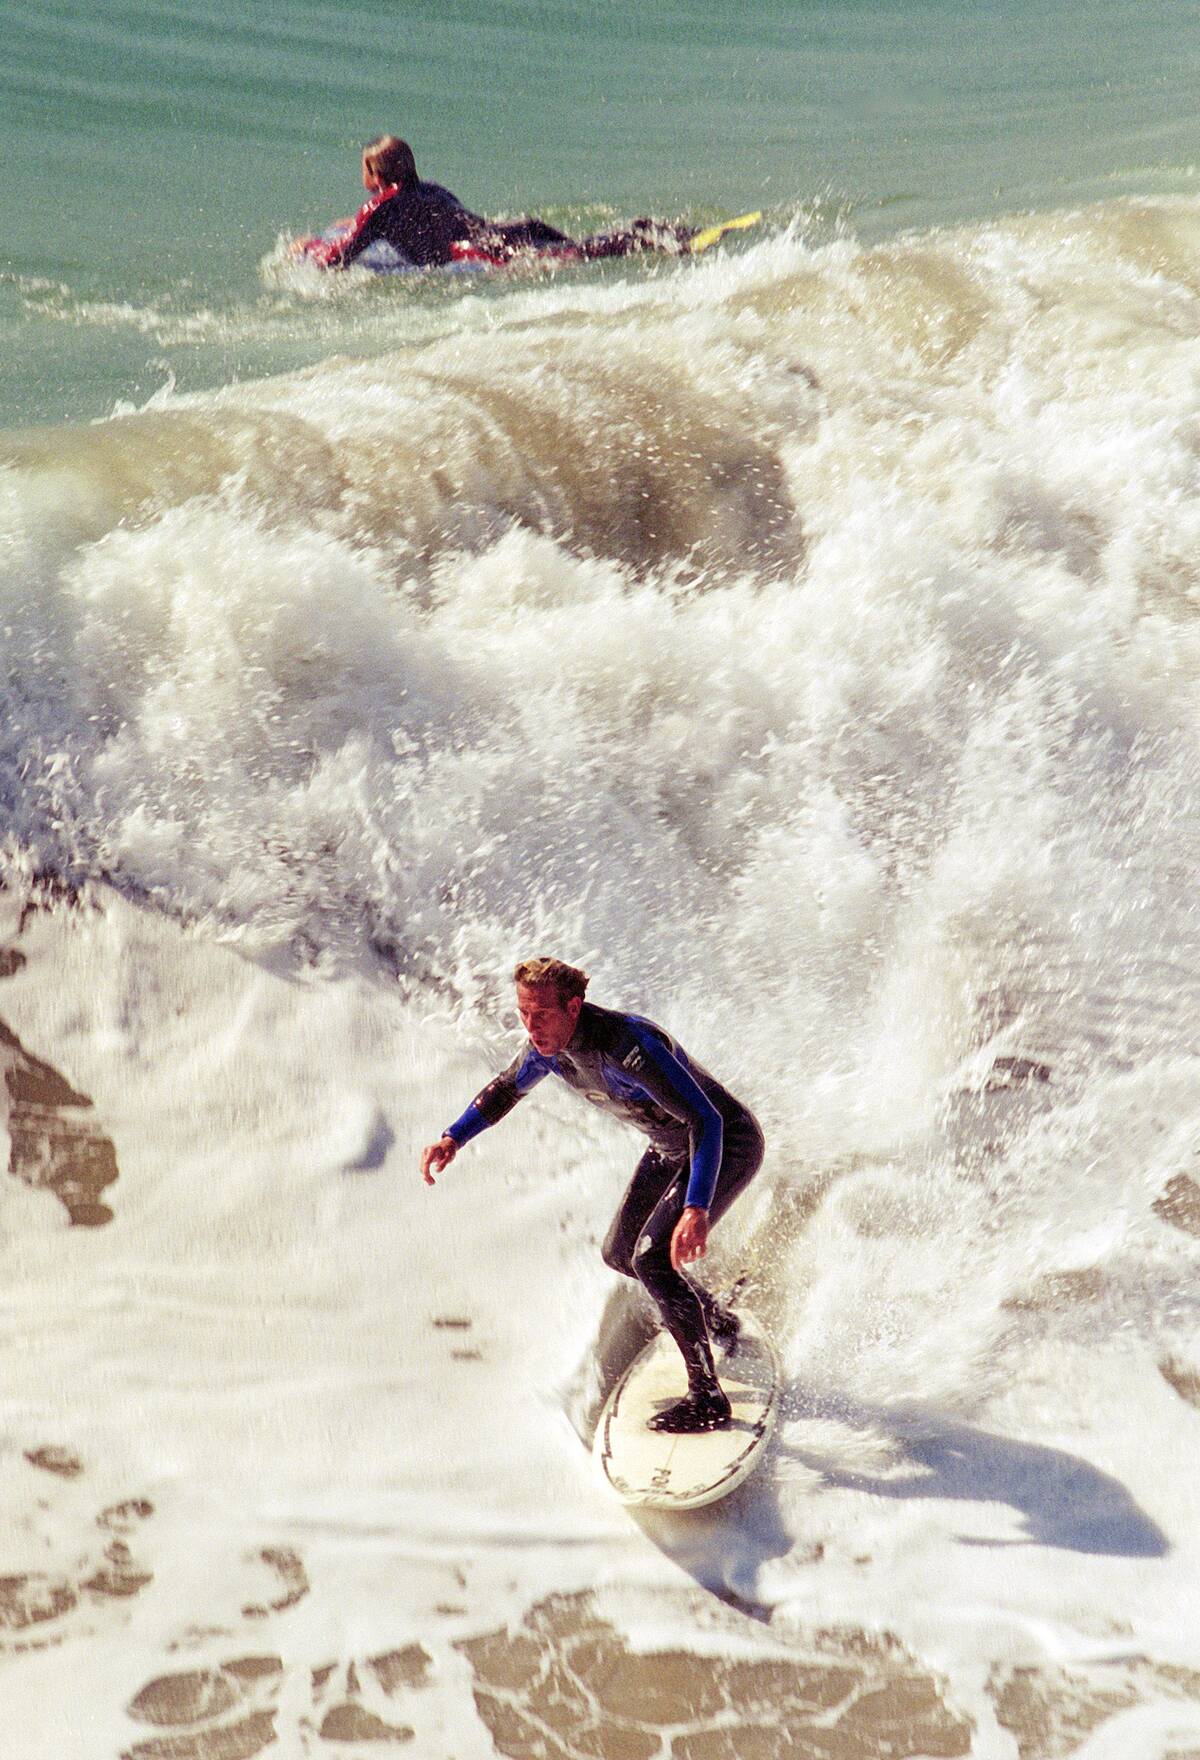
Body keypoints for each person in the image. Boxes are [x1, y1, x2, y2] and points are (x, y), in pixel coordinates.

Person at [420, 958, 765, 1433]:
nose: (531, 1026)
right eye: (524, 1014)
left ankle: (708, 1398)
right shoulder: (548, 1050)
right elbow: (505, 1089)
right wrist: (453, 1137)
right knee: (620, 1253)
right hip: (670, 1149)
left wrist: (697, 1207)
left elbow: (707, 1121)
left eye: (541, 1014)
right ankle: (716, 1320)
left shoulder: (630, 1046)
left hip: (728, 1143)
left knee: (652, 1261)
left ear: (574, 1007)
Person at [296, 135, 692, 270]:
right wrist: (355, 220)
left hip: (479, 255)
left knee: (577, 256)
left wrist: (308, 246)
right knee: (571, 245)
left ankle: (645, 238)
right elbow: (407, 216)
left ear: (375, 175)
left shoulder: (379, 209)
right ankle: (646, 230)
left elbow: (336, 261)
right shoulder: (428, 189)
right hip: (504, 231)